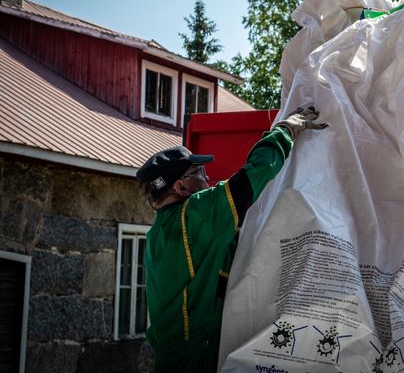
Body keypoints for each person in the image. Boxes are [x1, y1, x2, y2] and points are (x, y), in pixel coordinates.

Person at [135, 106, 328, 373]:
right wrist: (285, 130)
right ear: (181, 187)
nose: (208, 178)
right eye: (199, 173)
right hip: (194, 363)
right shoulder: (195, 215)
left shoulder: (159, 233)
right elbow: (254, 175)